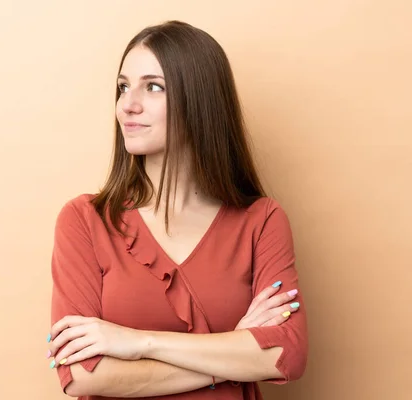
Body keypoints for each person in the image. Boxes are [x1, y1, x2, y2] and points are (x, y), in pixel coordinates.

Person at [46, 20, 308, 400]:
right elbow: (82, 375)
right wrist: (233, 350)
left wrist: (138, 343)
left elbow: (286, 355)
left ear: (200, 100)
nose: (128, 105)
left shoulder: (262, 221)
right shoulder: (84, 220)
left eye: (153, 86)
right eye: (123, 87)